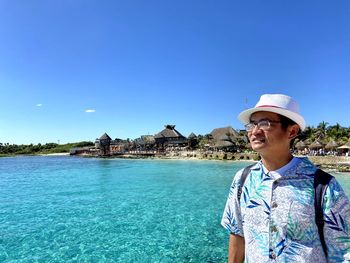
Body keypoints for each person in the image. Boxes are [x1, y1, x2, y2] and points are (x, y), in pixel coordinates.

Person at [221, 94, 350, 262]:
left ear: (292, 131)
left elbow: (343, 251)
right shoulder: (242, 179)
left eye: (264, 123)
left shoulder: (323, 186)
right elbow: (237, 235)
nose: (254, 131)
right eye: (252, 124)